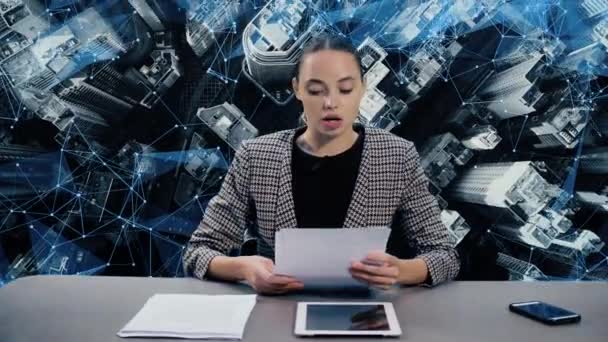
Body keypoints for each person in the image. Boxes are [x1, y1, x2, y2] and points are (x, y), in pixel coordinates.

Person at [183, 32, 460, 294]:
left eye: (346, 89)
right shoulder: (256, 156)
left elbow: (445, 255)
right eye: (316, 90)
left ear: (363, 89)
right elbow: (198, 251)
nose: (331, 102)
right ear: (297, 90)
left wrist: (401, 271)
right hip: (277, 312)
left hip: (363, 315)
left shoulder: (397, 156)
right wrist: (244, 268)